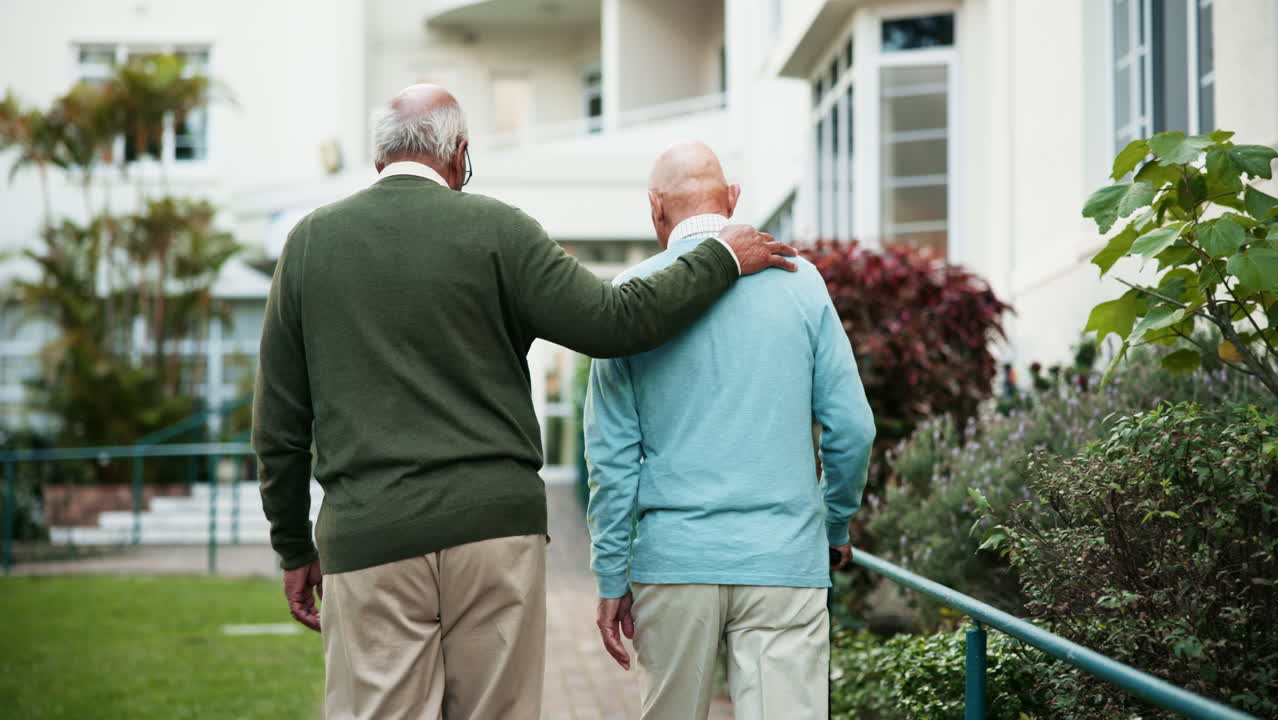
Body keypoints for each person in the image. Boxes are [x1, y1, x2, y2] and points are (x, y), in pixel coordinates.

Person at [252, 86, 797, 720]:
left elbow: (280, 426)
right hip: (494, 532)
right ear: (459, 154)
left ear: (381, 159)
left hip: (371, 537)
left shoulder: (310, 244)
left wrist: (294, 548)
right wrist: (721, 257)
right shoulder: (499, 231)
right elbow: (614, 322)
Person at [584, 141, 875, 720]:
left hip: (675, 563)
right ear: (734, 199)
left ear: (654, 207)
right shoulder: (800, 282)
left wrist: (612, 573)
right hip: (784, 561)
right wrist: (833, 524)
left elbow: (612, 463)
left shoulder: (628, 299)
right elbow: (852, 426)